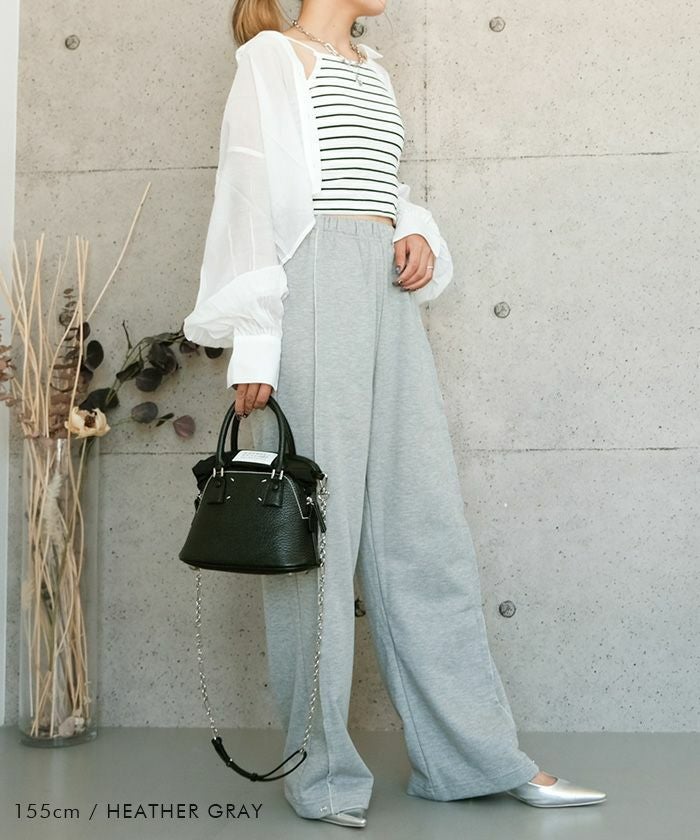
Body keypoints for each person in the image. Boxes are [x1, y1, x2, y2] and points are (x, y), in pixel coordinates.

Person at [183, 0, 607, 829]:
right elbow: (249, 195)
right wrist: (255, 348)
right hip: (309, 292)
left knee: (422, 528)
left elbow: (380, 187)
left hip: (383, 293)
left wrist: (412, 231)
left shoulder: (372, 71)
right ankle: (320, 775)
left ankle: (473, 759)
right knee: (312, 543)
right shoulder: (273, 58)